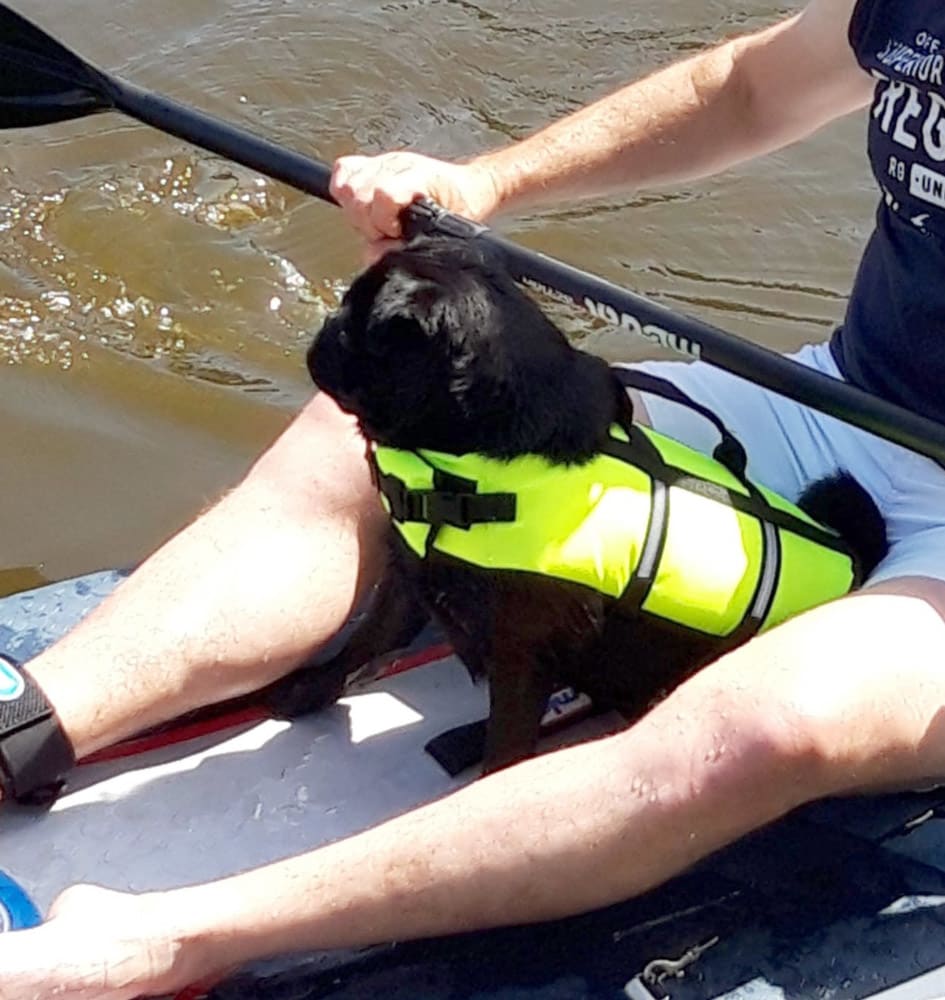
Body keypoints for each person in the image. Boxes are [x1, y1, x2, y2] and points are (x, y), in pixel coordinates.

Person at [4, 0, 945, 996]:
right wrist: (488, 182)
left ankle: (169, 939)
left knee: (764, 732)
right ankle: (37, 714)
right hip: (833, 400)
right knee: (372, 434)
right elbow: (747, 86)